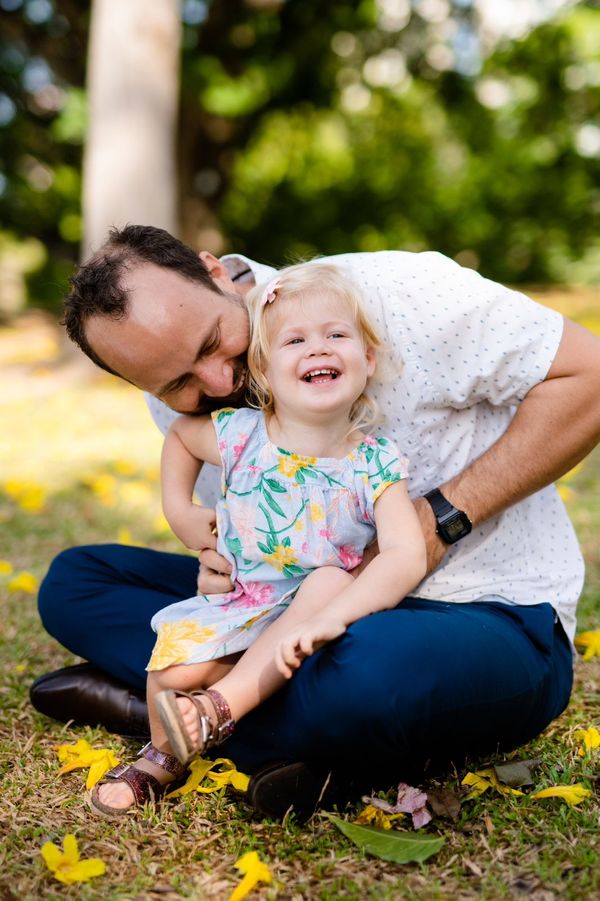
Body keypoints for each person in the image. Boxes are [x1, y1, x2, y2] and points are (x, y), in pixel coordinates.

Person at [31, 224, 600, 820]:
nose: (220, 383)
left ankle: (159, 713)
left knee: (369, 672)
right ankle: (255, 725)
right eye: (178, 384)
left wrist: (439, 522)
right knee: (77, 582)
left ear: (216, 272)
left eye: (211, 342)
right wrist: (220, 561)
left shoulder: (400, 294)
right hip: (287, 613)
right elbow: (257, 531)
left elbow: (587, 377)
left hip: (480, 612)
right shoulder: (187, 402)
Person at [90, 263, 426, 816]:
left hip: (314, 618)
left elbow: (406, 554)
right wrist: (179, 508)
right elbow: (180, 437)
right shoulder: (243, 437)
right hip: (245, 602)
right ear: (264, 370)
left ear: (367, 359)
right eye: (295, 340)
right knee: (167, 674)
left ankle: (219, 710)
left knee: (327, 579)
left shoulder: (375, 463)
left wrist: (332, 617)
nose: (318, 349)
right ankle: (168, 753)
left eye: (336, 335)